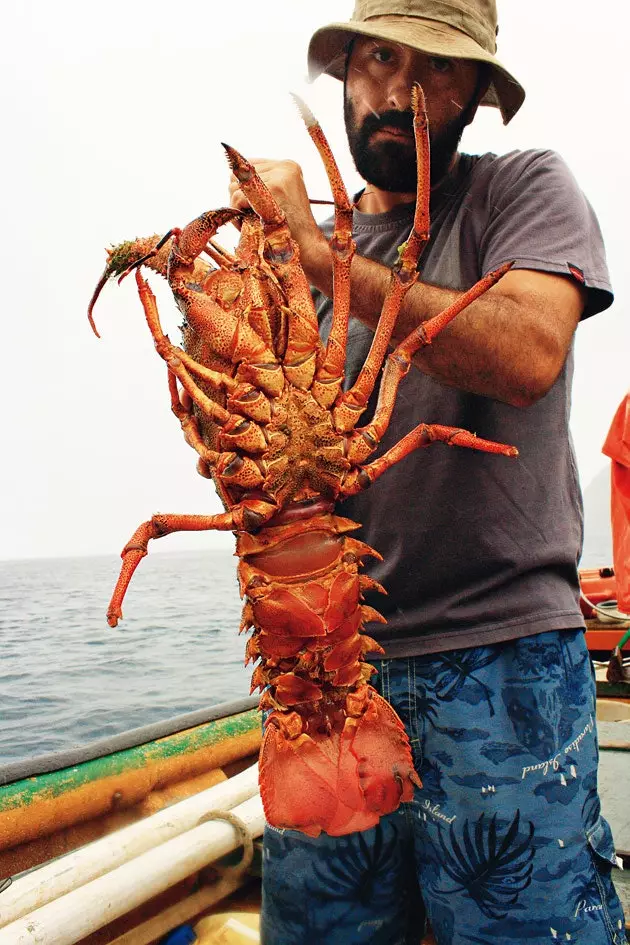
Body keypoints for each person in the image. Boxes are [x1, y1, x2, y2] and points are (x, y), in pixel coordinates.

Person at [229, 2, 627, 943]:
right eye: (378, 56)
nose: (400, 91)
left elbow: (530, 350)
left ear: (478, 94)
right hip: (322, 677)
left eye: (438, 70)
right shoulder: (291, 259)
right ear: (342, 71)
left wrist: (321, 255)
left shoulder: (522, 190)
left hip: (504, 664)